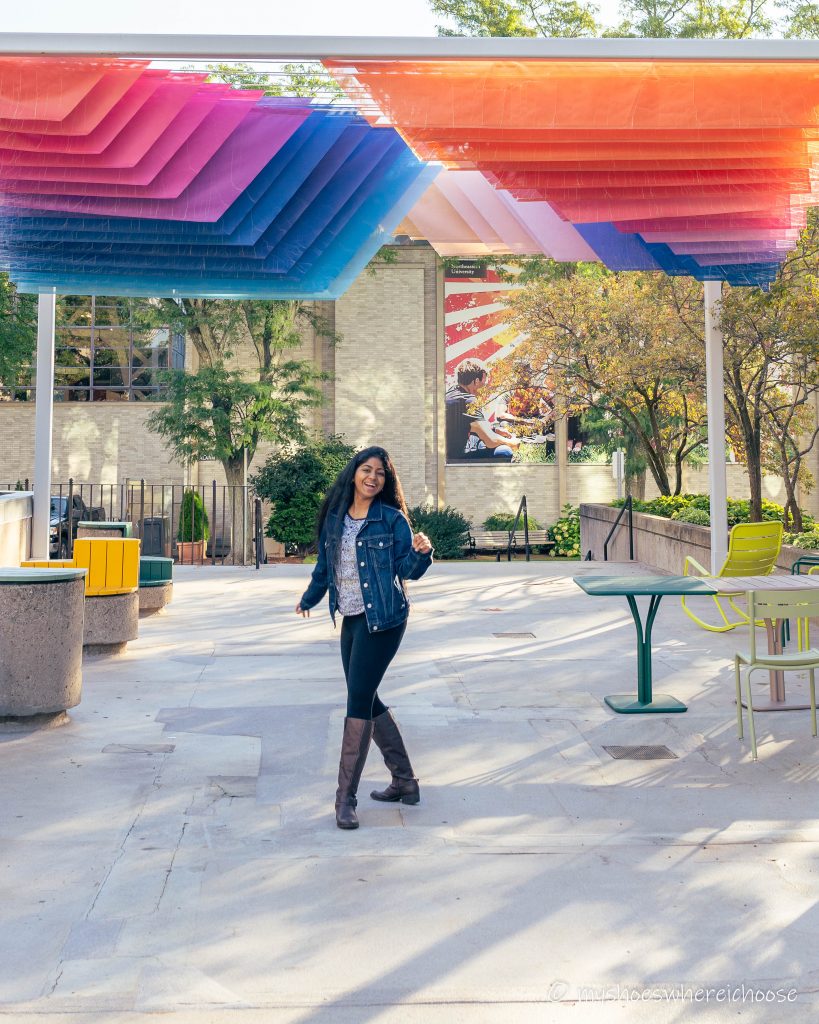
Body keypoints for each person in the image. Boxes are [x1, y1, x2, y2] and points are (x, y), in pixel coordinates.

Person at [295, 446, 433, 830]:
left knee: (357, 699)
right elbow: (326, 567)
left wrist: (422, 553)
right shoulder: (335, 519)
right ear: (354, 473)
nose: (373, 477)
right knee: (367, 696)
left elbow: (407, 569)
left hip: (385, 620)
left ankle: (345, 799)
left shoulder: (392, 520)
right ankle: (404, 781)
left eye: (381, 474)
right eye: (366, 470)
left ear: (386, 482)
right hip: (352, 618)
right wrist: (309, 598)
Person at [445, 358, 519, 462]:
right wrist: (514, 443)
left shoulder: (451, 393)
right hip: (454, 460)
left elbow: (471, 425)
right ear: (476, 381)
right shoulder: (468, 401)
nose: (484, 389)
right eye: (484, 384)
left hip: (443, 457)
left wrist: (495, 430)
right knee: (504, 451)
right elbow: (491, 440)